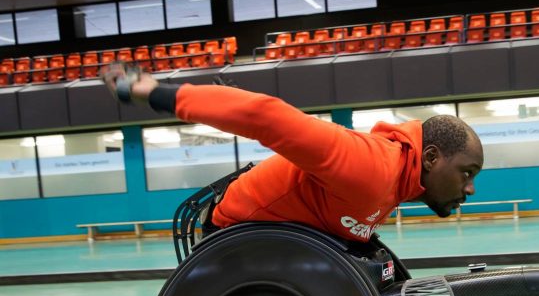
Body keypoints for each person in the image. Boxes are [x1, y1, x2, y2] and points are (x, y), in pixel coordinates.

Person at [103, 65, 484, 243]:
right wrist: (156, 92)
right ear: (431, 158)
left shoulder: (403, 180)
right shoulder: (370, 165)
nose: (470, 190)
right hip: (232, 232)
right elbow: (265, 116)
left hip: (285, 231)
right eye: (467, 173)